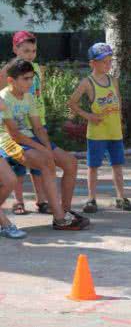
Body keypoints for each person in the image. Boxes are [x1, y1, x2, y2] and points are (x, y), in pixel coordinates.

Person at [0, 58, 88, 230]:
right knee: (45, 162)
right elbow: (15, 134)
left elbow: (38, 128)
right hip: (8, 141)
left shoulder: (29, 97)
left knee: (70, 162)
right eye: (25, 78)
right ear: (11, 80)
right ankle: (60, 219)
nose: (30, 82)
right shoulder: (4, 98)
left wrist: (47, 147)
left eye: (32, 78)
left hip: (28, 138)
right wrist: (44, 151)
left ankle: (65, 211)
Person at [68, 43, 131, 213]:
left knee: (118, 165)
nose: (108, 64)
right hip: (97, 133)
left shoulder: (113, 80)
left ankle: (121, 197)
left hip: (114, 132)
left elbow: (118, 100)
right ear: (93, 63)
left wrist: (119, 119)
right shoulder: (87, 83)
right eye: (104, 62)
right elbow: (72, 102)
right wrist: (88, 116)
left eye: (109, 61)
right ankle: (91, 199)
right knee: (93, 167)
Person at [0, 31, 49, 216]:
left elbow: (37, 95)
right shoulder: (7, 71)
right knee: (18, 166)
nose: (30, 54)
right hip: (15, 125)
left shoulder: (36, 68)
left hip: (37, 121)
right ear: (15, 48)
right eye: (26, 50)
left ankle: (41, 200)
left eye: (33, 50)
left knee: (40, 164)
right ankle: (18, 202)